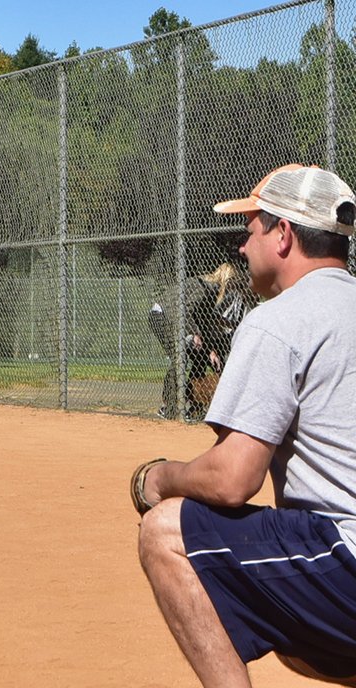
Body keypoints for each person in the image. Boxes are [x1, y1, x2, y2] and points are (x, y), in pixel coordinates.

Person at [131, 164, 356, 686]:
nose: (241, 245)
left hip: (347, 566)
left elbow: (232, 479)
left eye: (251, 227)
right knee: (299, 647)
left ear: (284, 235)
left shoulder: (279, 319)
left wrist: (157, 478)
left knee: (165, 531)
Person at [148, 262, 255, 419]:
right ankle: (168, 408)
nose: (233, 288)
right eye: (232, 283)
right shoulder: (204, 287)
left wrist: (210, 351)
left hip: (177, 321)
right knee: (179, 358)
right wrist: (195, 333)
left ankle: (195, 406)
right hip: (162, 316)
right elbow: (184, 310)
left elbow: (204, 319)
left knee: (200, 358)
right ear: (226, 280)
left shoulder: (213, 292)